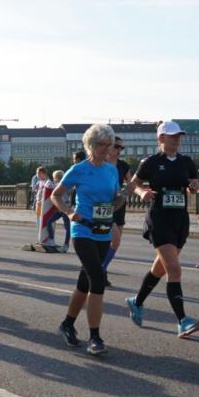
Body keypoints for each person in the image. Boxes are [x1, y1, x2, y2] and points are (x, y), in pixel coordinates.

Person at [125, 121, 199, 338]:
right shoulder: (151, 162)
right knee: (174, 269)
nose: (176, 140)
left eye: (179, 136)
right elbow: (133, 184)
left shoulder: (186, 162)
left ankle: (136, 301)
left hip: (179, 219)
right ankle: (182, 321)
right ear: (161, 138)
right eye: (172, 136)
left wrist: (193, 187)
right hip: (159, 218)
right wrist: (142, 192)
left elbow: (192, 186)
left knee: (160, 268)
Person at [50, 124, 124, 356]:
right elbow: (55, 195)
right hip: (82, 230)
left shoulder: (111, 171)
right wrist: (69, 212)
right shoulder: (78, 169)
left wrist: (123, 196)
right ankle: (95, 337)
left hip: (102, 230)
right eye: (102, 144)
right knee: (97, 279)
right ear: (91, 145)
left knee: (85, 282)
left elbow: (114, 201)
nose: (106, 149)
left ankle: (67, 324)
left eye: (109, 145)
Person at [101, 136, 131, 286]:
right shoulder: (101, 163)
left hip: (120, 205)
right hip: (104, 205)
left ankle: (101, 269)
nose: (119, 150)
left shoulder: (124, 165)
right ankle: (99, 269)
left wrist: (127, 191)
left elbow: (131, 184)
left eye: (121, 148)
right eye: (116, 147)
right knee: (111, 239)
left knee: (115, 244)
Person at [44, 170, 71, 252]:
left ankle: (65, 245)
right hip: (61, 208)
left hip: (65, 208)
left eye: (54, 178)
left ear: (57, 178)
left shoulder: (61, 185)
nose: (53, 179)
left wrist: (48, 182)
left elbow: (51, 186)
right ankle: (52, 239)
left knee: (67, 228)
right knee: (49, 221)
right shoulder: (63, 184)